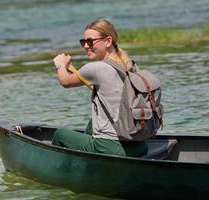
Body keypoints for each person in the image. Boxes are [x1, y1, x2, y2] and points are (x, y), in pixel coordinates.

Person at [52, 19, 148, 157]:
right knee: (93, 124)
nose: (85, 46)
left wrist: (61, 65)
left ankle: (60, 172)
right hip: (140, 146)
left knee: (60, 134)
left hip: (111, 148)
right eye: (83, 42)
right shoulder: (130, 65)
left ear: (108, 41)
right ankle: (85, 161)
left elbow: (65, 81)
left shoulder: (96, 68)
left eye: (90, 41)